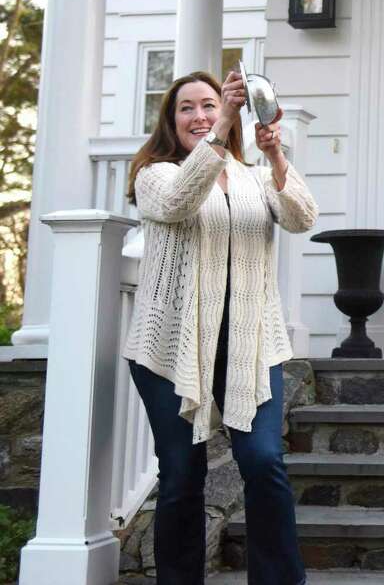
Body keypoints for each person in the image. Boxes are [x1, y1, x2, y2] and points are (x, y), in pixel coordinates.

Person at [124, 70, 317, 584]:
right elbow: (179, 202)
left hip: (252, 343)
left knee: (263, 462)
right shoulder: (155, 174)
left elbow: (301, 218)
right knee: (182, 476)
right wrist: (226, 123)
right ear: (171, 119)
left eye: (209, 105)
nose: (199, 116)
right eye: (186, 108)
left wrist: (276, 156)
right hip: (171, 345)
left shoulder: (254, 178)